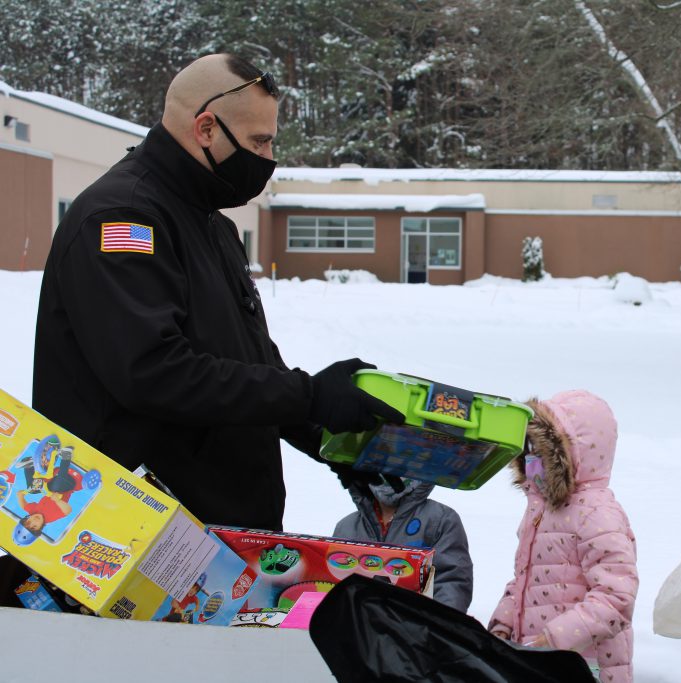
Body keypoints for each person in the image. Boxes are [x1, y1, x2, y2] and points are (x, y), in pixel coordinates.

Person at [30, 54, 403, 533]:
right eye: (259, 142)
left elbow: (250, 368)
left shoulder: (212, 225)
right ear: (206, 128)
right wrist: (308, 397)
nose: (267, 159)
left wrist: (331, 439)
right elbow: (153, 372)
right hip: (133, 537)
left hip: (218, 538)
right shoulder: (124, 219)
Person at [488, 390, 638, 683]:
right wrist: (502, 624)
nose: (532, 458)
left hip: (582, 664)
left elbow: (616, 596)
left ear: (572, 455)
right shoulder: (541, 510)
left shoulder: (596, 514)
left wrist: (554, 639)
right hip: (538, 659)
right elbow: (525, 578)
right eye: (529, 449)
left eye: (542, 451)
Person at [333, 476, 473, 613]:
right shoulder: (346, 527)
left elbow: (451, 582)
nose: (388, 472)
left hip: (417, 631)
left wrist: (440, 628)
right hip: (360, 630)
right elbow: (333, 585)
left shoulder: (440, 519)